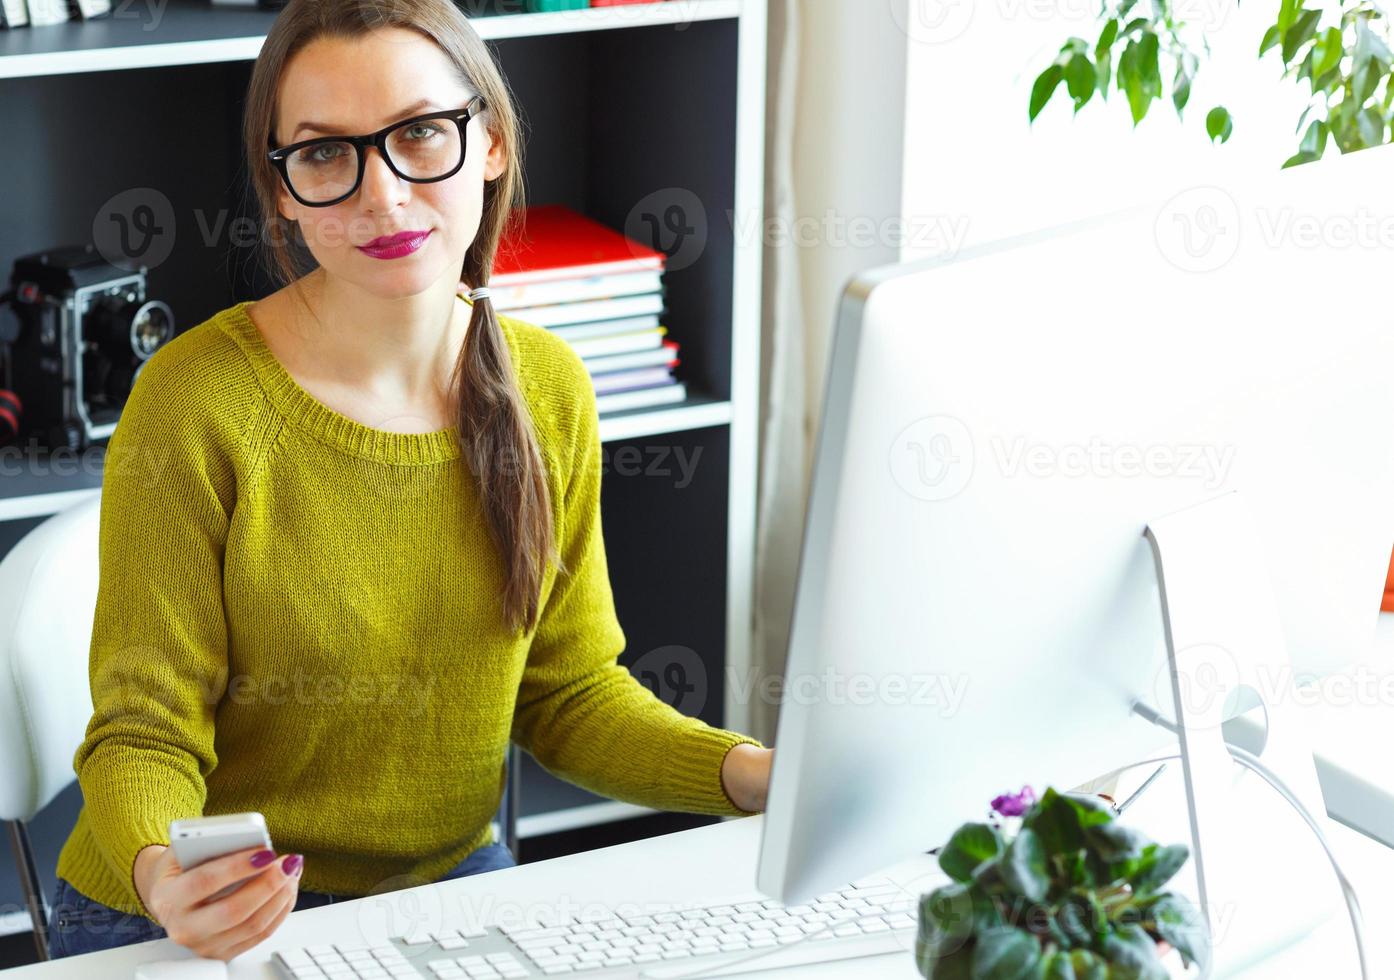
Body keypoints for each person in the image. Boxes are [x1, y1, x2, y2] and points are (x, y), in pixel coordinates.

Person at [49, 0, 772, 960]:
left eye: (421, 133)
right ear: (281, 192)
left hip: (442, 892)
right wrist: (163, 872)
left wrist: (762, 776)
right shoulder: (195, 403)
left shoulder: (548, 388)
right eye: (323, 154)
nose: (381, 196)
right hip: (193, 908)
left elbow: (567, 696)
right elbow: (142, 733)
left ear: (493, 143)